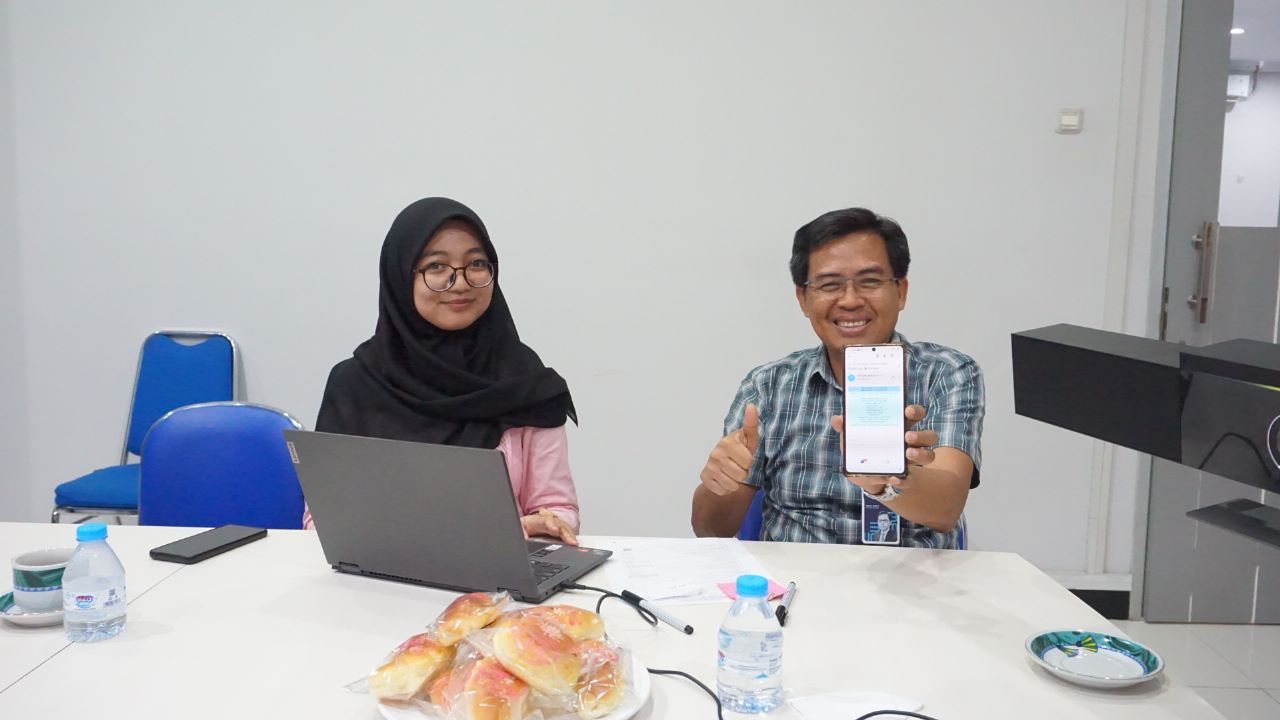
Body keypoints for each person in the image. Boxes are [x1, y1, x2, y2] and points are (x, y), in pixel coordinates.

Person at [692, 207, 984, 548]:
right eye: (830, 285)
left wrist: (883, 484)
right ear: (803, 299)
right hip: (793, 576)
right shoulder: (768, 385)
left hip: (911, 577)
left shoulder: (947, 373)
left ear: (901, 291)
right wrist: (720, 483)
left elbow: (946, 508)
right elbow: (711, 531)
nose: (850, 300)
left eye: (870, 281)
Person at [309, 197, 581, 544]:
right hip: (377, 570)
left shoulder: (524, 378)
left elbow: (557, 507)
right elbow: (322, 515)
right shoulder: (356, 383)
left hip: (499, 570)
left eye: (477, 263)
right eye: (436, 266)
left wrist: (543, 525)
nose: (461, 282)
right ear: (400, 276)